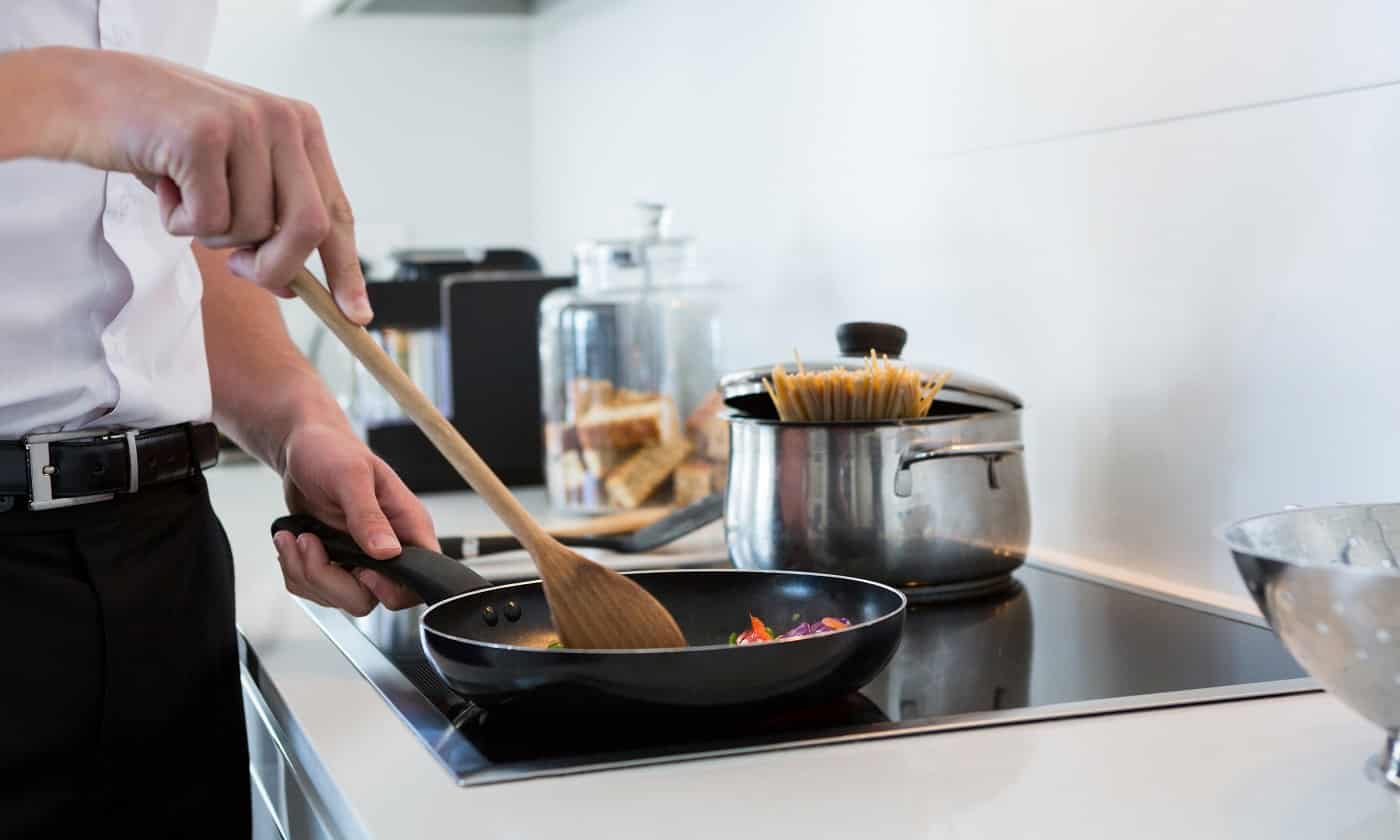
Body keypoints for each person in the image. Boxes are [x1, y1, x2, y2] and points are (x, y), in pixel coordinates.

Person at [0, 4, 435, 835]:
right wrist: (81, 91)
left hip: (166, 567)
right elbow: (113, 115)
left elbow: (163, 233)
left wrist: (298, 421)